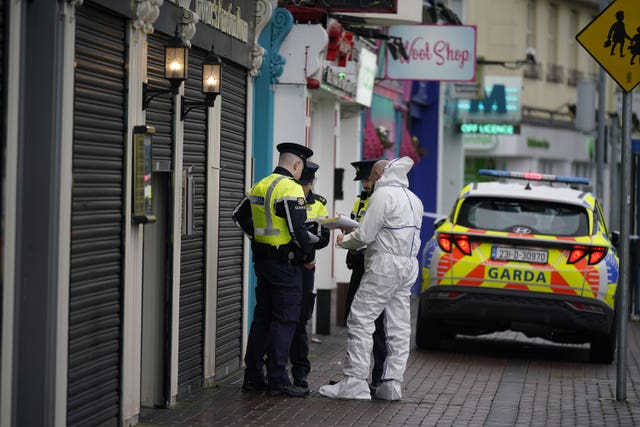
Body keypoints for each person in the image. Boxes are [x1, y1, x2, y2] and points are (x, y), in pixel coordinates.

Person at [319, 157, 423, 401]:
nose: (369, 180)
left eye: (371, 176)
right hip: (408, 265)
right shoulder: (414, 200)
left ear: (379, 172)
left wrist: (345, 241)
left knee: (361, 318)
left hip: (384, 264)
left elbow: (365, 235)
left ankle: (354, 381)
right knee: (398, 325)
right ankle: (392, 383)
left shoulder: (383, 195)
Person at [232, 142, 316, 398]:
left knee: (263, 318)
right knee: (285, 319)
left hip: (263, 262)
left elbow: (238, 215)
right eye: (301, 167)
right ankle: (278, 379)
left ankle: (253, 376)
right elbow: (297, 229)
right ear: (297, 164)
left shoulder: (261, 184)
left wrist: (257, 238)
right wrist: (308, 255)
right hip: (285, 265)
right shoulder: (290, 188)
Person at [344, 159, 387, 394]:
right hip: (359, 265)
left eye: (366, 179)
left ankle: (379, 375)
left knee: (378, 323)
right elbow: (357, 227)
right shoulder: (362, 199)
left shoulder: (382, 201)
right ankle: (355, 376)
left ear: (377, 176)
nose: (363, 183)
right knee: (355, 319)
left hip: (376, 267)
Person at [288, 161, 331, 390]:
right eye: (300, 183)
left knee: (301, 320)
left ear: (311, 183)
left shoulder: (319, 203)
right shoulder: (288, 196)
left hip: (306, 268)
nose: (303, 188)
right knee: (283, 317)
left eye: (306, 184)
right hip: (288, 263)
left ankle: (300, 372)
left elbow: (324, 238)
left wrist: (310, 250)